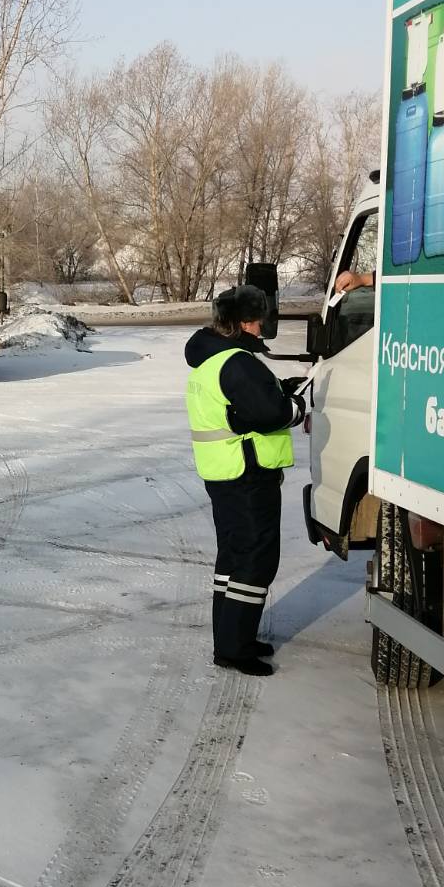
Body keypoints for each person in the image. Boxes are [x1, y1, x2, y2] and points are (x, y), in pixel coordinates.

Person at [184, 285, 306, 677]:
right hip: (248, 474)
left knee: (233, 558)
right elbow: (268, 414)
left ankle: (232, 637)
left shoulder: (210, 358)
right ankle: (235, 649)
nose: (260, 329)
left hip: (224, 474)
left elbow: (241, 408)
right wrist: (296, 406)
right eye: (256, 322)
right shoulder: (237, 362)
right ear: (239, 324)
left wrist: (275, 393)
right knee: (255, 559)